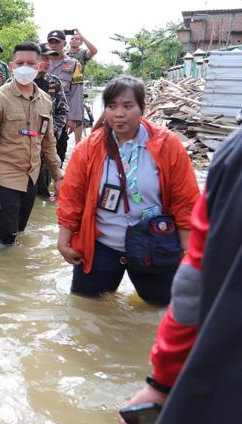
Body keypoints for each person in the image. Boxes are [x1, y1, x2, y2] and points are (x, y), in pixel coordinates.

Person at [119, 129, 242, 424]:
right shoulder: (93, 145)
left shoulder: (233, 155)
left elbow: (192, 286)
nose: (119, 114)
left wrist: (162, 384)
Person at [57, 75, 198, 305]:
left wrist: (188, 250)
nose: (118, 113)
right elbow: (72, 196)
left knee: (163, 311)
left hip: (154, 243)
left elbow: (185, 199)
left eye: (127, 106)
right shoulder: (89, 148)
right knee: (85, 309)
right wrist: (63, 241)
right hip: (102, 245)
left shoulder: (166, 145)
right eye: (112, 106)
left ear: (142, 107)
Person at [0, 42, 62, 245]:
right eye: (20, 63)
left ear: (40, 66)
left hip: (30, 177)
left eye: (30, 63)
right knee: (5, 240)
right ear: (11, 65)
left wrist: (58, 177)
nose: (25, 67)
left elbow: (48, 143)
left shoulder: (45, 100)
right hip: (1, 177)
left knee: (19, 233)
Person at [35, 43, 70, 198]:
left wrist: (52, 132)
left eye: (49, 58)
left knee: (43, 190)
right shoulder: (15, 82)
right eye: (44, 58)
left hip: (47, 144)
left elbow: (63, 111)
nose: (48, 62)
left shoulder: (54, 82)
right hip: (22, 145)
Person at [47, 29, 85, 145]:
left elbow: (77, 93)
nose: (53, 45)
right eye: (51, 42)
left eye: (57, 42)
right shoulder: (40, 62)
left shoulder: (74, 64)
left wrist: (73, 118)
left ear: (64, 43)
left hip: (61, 118)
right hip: (40, 115)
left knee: (59, 152)